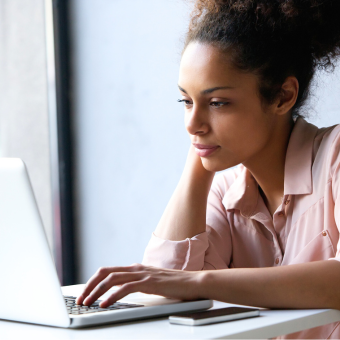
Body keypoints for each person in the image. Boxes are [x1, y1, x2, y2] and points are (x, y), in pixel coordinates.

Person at [76, 0, 340, 338]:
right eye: (186, 101)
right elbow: (162, 295)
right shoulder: (224, 190)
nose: (191, 123)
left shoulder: (334, 157)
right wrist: (200, 161)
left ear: (282, 96)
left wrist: (201, 282)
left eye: (217, 103)